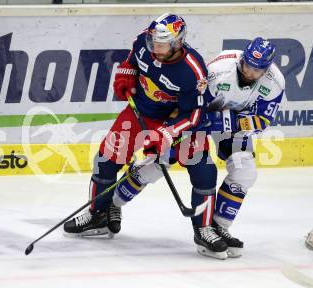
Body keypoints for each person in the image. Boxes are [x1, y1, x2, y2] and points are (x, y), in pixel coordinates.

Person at [64, 13, 229, 259]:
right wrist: (125, 75)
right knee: (105, 159)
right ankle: (98, 214)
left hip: (178, 121)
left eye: (162, 45)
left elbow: (195, 115)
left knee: (204, 170)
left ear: (178, 42)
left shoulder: (193, 71)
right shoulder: (144, 40)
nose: (156, 49)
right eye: (154, 43)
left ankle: (203, 228)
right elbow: (131, 61)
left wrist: (166, 133)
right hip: (141, 111)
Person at [205, 37, 285, 258]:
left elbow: (261, 121)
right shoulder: (218, 69)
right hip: (201, 121)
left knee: (246, 171)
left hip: (235, 128)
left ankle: (217, 227)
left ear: (266, 69)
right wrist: (215, 118)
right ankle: (109, 206)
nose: (249, 72)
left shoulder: (275, 82)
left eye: (256, 70)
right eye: (247, 65)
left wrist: (232, 121)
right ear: (242, 59)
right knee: (160, 160)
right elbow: (197, 103)